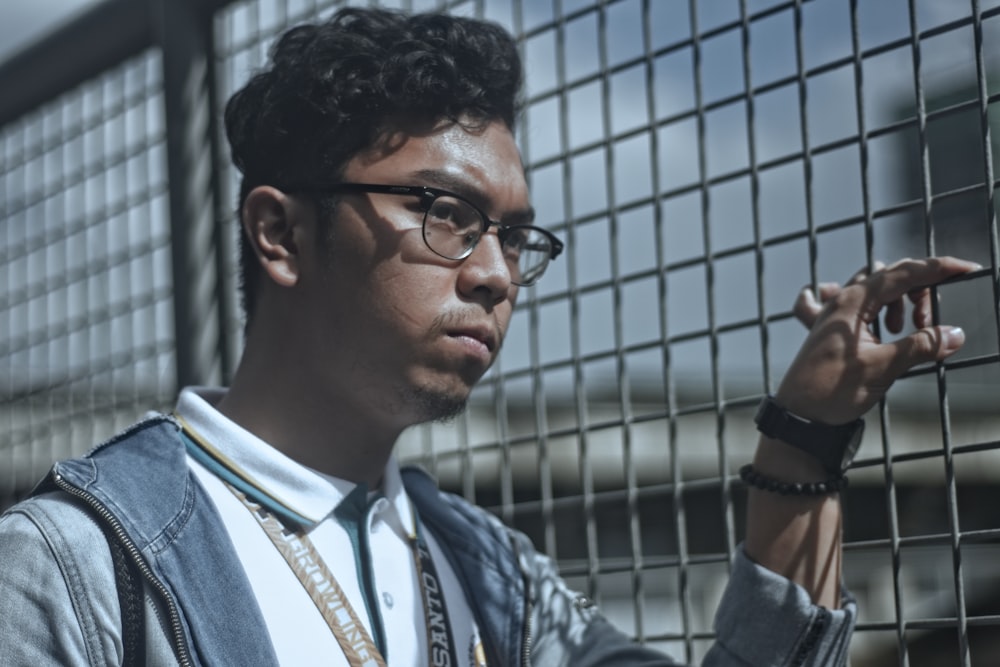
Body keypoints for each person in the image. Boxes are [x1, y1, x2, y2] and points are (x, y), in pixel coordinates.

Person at [0, 6, 980, 666]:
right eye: (443, 213)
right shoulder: (75, 566)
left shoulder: (486, 569)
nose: (495, 272)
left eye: (514, 236)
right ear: (280, 233)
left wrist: (802, 435)